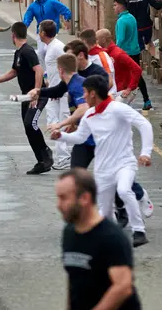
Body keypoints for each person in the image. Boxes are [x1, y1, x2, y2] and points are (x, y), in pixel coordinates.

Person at [55, 168, 143, 310]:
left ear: (84, 198)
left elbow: (122, 287)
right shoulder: (70, 233)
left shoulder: (111, 238)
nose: (58, 204)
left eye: (63, 198)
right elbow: (74, 277)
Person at [51, 75, 153, 247]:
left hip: (124, 163)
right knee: (104, 211)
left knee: (123, 190)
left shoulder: (118, 109)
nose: (82, 97)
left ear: (93, 94)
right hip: (103, 169)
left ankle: (139, 231)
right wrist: (61, 136)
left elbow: (144, 124)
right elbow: (80, 137)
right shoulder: (90, 115)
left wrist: (146, 152)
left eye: (84, 92)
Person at [0, 22, 51, 174]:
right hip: (26, 96)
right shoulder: (18, 53)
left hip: (37, 95)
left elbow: (38, 70)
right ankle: (41, 161)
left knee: (31, 123)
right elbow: (14, 71)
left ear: (13, 35)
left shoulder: (27, 51)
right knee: (27, 127)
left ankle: (45, 153)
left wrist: (36, 93)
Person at [38, 19, 70, 170]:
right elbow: (51, 68)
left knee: (60, 123)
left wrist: (60, 87)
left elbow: (69, 65)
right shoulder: (50, 47)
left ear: (43, 33)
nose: (38, 32)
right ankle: (63, 156)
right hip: (53, 91)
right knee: (53, 122)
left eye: (39, 29)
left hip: (60, 93)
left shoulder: (57, 47)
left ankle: (65, 157)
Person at [114, 0, 152, 110]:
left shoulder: (121, 21)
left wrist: (114, 52)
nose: (114, 8)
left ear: (121, 6)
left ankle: (123, 100)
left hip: (125, 53)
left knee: (122, 77)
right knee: (138, 75)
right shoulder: (132, 18)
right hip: (135, 50)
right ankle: (146, 99)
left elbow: (120, 39)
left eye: (115, 5)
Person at [22, 0, 72, 64]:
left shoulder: (52, 2)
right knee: (41, 53)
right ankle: (44, 71)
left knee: (51, 51)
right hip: (40, 32)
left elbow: (65, 10)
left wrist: (67, 18)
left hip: (52, 31)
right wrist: (23, 27)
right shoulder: (33, 6)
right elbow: (28, 18)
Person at [95, 28, 143, 105]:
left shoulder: (118, 53)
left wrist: (129, 88)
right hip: (117, 90)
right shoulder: (105, 53)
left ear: (103, 40)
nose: (95, 42)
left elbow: (137, 69)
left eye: (97, 39)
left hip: (123, 91)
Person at [123, 0, 162, 65]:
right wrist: (160, 0)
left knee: (137, 45)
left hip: (134, 27)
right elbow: (157, 6)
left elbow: (119, 5)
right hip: (146, 24)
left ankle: (139, 63)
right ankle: (153, 57)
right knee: (149, 42)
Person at [79, 29, 117, 95]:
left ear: (84, 42)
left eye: (81, 44)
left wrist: (97, 96)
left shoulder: (101, 56)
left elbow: (109, 82)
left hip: (106, 95)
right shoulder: (88, 54)